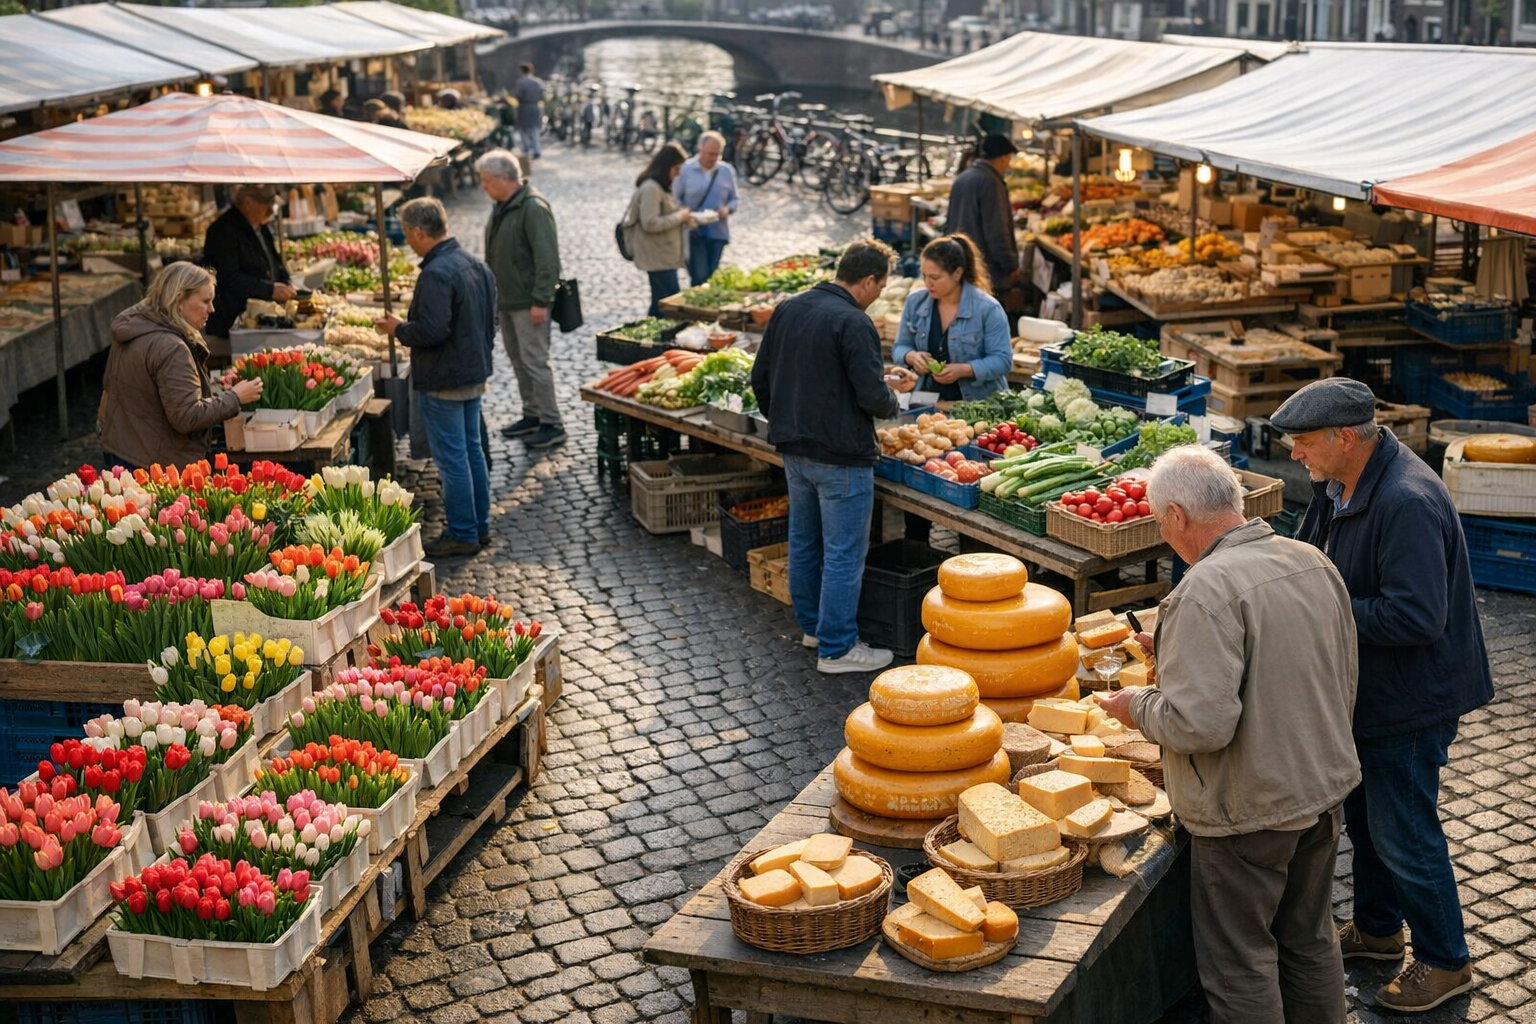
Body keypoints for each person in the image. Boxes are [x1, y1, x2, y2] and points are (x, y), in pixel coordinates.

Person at [1098, 444, 1360, 1024]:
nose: (1162, 532)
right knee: (1310, 941)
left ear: (1177, 516)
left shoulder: (1202, 590)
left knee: (1240, 963)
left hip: (1248, 812)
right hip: (1321, 792)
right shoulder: (1312, 561)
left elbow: (1200, 726)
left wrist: (1136, 704)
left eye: (1158, 520)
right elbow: (1329, 671)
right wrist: (1174, 645)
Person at [1271, 377, 1490, 1014]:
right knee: (1366, 822)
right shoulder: (1336, 482)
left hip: (1410, 701)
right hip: (1368, 693)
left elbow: (1416, 617)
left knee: (1405, 832)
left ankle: (1446, 962)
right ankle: (1377, 929)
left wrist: (1324, 607)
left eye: (1304, 441)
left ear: (1345, 436)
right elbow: (1311, 556)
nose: (1294, 454)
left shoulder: (1406, 501)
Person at [750, 240, 918, 674]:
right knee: (843, 554)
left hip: (794, 450)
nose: (879, 294)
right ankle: (838, 648)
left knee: (805, 543)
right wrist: (892, 398)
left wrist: (784, 421)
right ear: (868, 281)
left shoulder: (789, 307)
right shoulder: (854, 321)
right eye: (881, 287)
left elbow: (761, 376)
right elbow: (872, 398)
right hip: (842, 457)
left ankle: (814, 629)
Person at [373, 198, 497, 559]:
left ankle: (463, 532)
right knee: (472, 452)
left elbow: (432, 331)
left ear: (418, 232)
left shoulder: (436, 273)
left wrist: (398, 328)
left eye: (407, 234)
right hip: (472, 372)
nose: (407, 242)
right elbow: (492, 321)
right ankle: (479, 526)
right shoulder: (475, 264)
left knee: (454, 459)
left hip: (445, 379)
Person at [100, 262, 262, 472]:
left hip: (124, 450)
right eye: (206, 301)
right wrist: (235, 397)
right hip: (157, 463)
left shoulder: (134, 327)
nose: (212, 309)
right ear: (178, 300)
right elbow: (187, 416)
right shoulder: (171, 347)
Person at [478, 149, 565, 450]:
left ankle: (552, 423)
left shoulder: (533, 208)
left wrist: (541, 300)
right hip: (508, 301)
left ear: (504, 178)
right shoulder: (502, 207)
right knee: (519, 361)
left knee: (535, 362)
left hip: (529, 303)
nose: (482, 186)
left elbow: (547, 260)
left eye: (486, 180)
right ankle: (532, 414)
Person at [892, 234, 1012, 402]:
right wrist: (911, 356)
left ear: (957, 273)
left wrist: (964, 369)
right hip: (927, 400)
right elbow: (900, 346)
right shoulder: (915, 302)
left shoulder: (987, 309)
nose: (927, 283)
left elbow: (1002, 361)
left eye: (935, 277)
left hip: (977, 404)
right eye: (924, 275)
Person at [202, 185, 294, 347]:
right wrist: (270, 289)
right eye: (266, 204)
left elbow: (275, 261)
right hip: (235, 319)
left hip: (264, 316)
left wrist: (285, 280)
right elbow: (229, 277)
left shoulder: (261, 226)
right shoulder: (223, 230)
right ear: (248, 202)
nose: (270, 210)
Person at [945, 133, 1021, 295]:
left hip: (961, 262)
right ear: (1003, 157)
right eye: (1009, 158)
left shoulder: (963, 177)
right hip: (986, 270)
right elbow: (996, 231)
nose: (1008, 164)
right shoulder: (990, 183)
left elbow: (949, 222)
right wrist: (1010, 265)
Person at [623, 142, 692, 318]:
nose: (678, 174)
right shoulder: (651, 188)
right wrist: (679, 217)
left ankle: (651, 333)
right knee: (668, 303)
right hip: (657, 255)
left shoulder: (661, 186)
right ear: (666, 166)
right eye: (676, 169)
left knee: (660, 302)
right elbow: (650, 223)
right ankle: (655, 333)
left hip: (663, 254)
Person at [673, 131, 739, 286]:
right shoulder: (685, 170)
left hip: (718, 231)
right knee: (699, 274)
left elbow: (735, 199)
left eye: (717, 154)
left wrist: (727, 209)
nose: (713, 158)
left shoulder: (726, 171)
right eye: (710, 154)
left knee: (712, 274)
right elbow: (675, 198)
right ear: (700, 149)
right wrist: (684, 210)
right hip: (694, 230)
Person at [511, 62, 545, 159]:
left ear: (522, 71)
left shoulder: (521, 82)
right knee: (535, 128)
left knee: (523, 128)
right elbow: (543, 93)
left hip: (524, 106)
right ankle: (537, 150)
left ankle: (526, 148)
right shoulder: (537, 81)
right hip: (535, 106)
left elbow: (517, 95)